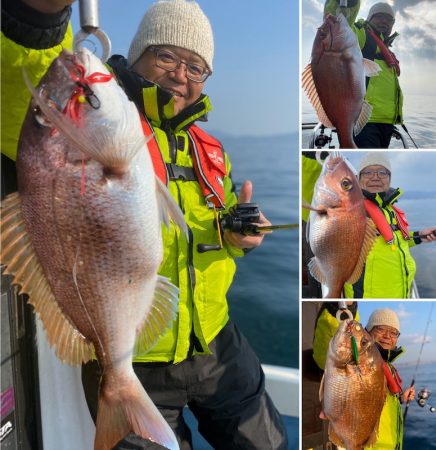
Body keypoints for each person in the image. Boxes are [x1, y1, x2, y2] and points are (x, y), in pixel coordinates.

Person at [1, 1, 288, 449]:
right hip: (134, 353)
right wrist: (40, 18)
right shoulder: (95, 123)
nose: (180, 74)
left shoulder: (209, 148)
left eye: (196, 66)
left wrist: (239, 239)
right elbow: (26, 67)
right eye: (166, 56)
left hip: (214, 339)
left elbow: (212, 227)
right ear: (134, 57)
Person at [313, 304, 415, 450]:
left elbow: (380, 402)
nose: (387, 336)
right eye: (380, 329)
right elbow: (327, 345)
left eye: (394, 332)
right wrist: (339, 310)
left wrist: (401, 399)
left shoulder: (390, 369)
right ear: (368, 331)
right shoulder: (350, 359)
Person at [344, 152, 436, 298]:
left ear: (389, 179)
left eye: (382, 172)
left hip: (401, 293)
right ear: (358, 179)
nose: (375, 177)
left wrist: (420, 236)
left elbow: (397, 241)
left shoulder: (391, 210)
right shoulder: (351, 209)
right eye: (368, 172)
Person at [324, 0, 403, 148]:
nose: (384, 21)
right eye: (379, 16)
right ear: (369, 18)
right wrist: (348, 4)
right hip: (365, 120)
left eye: (388, 19)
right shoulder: (361, 34)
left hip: (386, 122)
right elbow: (338, 22)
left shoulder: (386, 50)